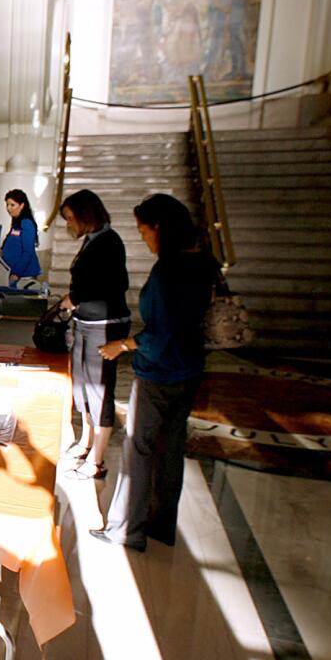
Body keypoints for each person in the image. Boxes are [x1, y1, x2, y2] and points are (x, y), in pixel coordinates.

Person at [90, 194, 220, 552]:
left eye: (143, 230)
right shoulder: (204, 262)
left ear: (160, 228)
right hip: (191, 369)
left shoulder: (168, 271)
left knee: (139, 450)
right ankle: (161, 524)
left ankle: (126, 530)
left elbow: (161, 334)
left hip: (159, 373)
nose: (143, 238)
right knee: (171, 449)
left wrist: (123, 345)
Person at [56, 189, 130, 479]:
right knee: (82, 388)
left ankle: (97, 460)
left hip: (105, 325)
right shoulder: (93, 240)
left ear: (86, 216)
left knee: (99, 390)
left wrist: (75, 298)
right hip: (86, 323)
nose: (69, 225)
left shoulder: (110, 242)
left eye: (71, 219)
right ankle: (86, 441)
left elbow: (111, 284)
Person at [0, 189, 43, 288]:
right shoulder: (17, 223)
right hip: (15, 274)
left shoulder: (26, 223)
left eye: (12, 205)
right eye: (7, 205)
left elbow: (28, 252)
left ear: (22, 205)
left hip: (24, 276)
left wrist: (16, 273)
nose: (8, 208)